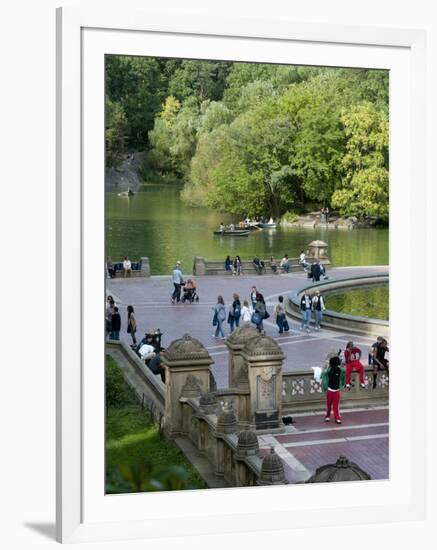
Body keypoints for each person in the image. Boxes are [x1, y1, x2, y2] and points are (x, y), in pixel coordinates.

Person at [321, 355, 346, 424]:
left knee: (336, 406)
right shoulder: (328, 371)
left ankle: (337, 417)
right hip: (330, 390)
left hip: (337, 391)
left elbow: (344, 375)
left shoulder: (340, 371)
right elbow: (323, 374)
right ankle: (327, 416)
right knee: (328, 405)